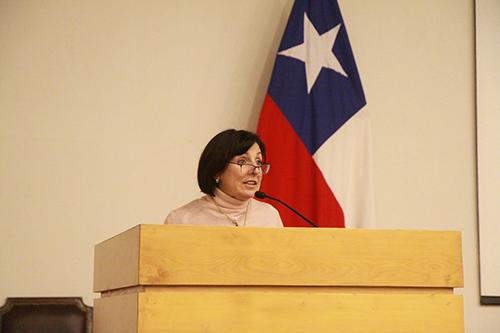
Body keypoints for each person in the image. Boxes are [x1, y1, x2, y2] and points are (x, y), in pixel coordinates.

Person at [165, 129, 283, 227]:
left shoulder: (269, 216)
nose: (256, 170)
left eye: (258, 161)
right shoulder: (182, 220)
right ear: (217, 170)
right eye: (242, 161)